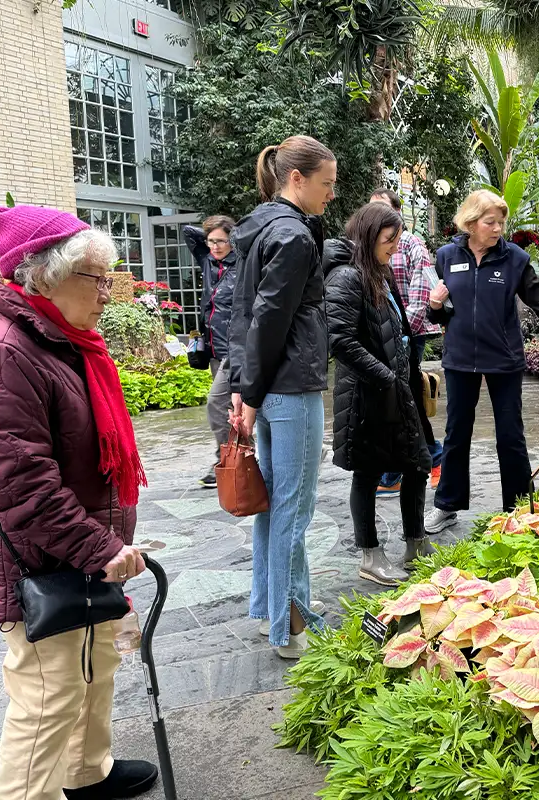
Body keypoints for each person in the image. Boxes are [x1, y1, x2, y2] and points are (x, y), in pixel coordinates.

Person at [0, 205, 157, 800]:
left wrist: (102, 547)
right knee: (49, 692)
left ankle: (86, 772)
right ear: (43, 275)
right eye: (96, 278)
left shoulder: (62, 343)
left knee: (94, 666)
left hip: (77, 551)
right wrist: (100, 547)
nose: (108, 294)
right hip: (40, 558)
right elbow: (21, 485)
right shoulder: (4, 353)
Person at [423, 190, 539, 534]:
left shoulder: (513, 258)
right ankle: (447, 505)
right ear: (471, 223)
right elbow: (439, 316)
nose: (498, 228)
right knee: (457, 433)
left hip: (503, 358)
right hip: (459, 359)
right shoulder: (445, 256)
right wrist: (435, 306)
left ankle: (519, 507)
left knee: (510, 435)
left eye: (501, 222)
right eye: (491, 222)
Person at [226, 135, 336, 659]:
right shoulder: (291, 236)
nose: (330, 194)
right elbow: (268, 318)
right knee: (292, 509)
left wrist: (244, 389)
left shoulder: (260, 229)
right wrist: (248, 390)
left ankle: (273, 612)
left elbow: (241, 312)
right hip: (289, 385)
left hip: (270, 386)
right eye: (326, 183)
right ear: (297, 179)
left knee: (274, 506)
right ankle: (291, 624)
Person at [326, 203, 434, 585]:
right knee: (368, 473)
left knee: (418, 462)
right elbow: (340, 341)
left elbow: (397, 329)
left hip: (395, 387)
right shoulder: (346, 277)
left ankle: (416, 543)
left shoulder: (379, 273)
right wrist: (385, 375)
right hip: (366, 395)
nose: (394, 247)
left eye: (397, 239)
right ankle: (370, 555)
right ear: (369, 236)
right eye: (390, 240)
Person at [368, 188, 443, 497]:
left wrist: (403, 333)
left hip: (409, 333)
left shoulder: (412, 245)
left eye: (383, 210)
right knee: (403, 398)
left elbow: (423, 289)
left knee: (405, 397)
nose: (378, 217)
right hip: (386, 333)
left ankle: (424, 461)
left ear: (398, 212)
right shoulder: (372, 245)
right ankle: (424, 459)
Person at [184, 215, 238, 487]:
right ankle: (305, 447)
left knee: (217, 404)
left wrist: (235, 235)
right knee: (240, 407)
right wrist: (212, 231)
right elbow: (187, 232)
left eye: (221, 241)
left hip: (236, 350)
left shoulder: (241, 265)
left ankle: (225, 461)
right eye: (211, 241)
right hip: (215, 348)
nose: (215, 246)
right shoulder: (207, 262)